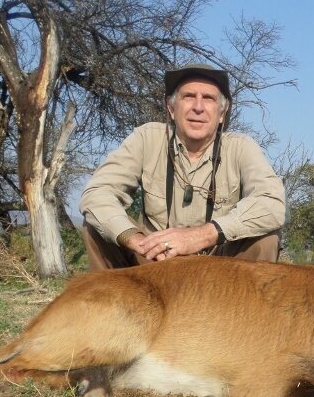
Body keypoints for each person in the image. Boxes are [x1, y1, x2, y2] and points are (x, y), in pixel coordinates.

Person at [80, 64, 285, 270]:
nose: (198, 107)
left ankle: (242, 303)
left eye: (208, 98)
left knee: (265, 239)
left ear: (222, 112)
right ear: (171, 108)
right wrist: (136, 240)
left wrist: (203, 235)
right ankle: (107, 301)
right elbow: (97, 194)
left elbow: (272, 204)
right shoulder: (146, 138)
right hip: (154, 261)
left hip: (220, 271)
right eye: (188, 96)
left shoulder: (241, 147)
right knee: (98, 227)